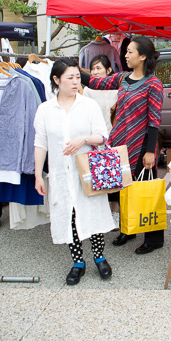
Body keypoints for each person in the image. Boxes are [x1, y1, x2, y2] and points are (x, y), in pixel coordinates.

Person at [34, 58, 116, 286]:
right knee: (69, 216)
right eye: (69, 77)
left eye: (77, 77)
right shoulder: (45, 109)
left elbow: (102, 136)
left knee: (92, 214)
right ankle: (78, 262)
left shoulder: (87, 105)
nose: (74, 82)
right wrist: (38, 174)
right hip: (60, 172)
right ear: (56, 80)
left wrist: (83, 139)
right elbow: (40, 143)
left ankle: (100, 257)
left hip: (86, 171)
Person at [86, 36, 164, 254]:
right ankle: (128, 229)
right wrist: (72, 72)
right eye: (126, 52)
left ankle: (154, 238)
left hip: (141, 146)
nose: (126, 55)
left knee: (144, 192)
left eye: (130, 52)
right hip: (119, 144)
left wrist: (150, 151)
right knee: (122, 191)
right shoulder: (122, 78)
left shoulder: (153, 84)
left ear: (143, 56)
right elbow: (95, 83)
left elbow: (154, 120)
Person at [82, 55, 121, 218]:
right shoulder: (88, 89)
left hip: (115, 137)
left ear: (109, 70)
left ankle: (116, 214)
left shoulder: (116, 88)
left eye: (99, 68)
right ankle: (101, 216)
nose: (95, 72)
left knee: (115, 177)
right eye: (93, 69)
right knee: (98, 177)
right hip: (96, 139)